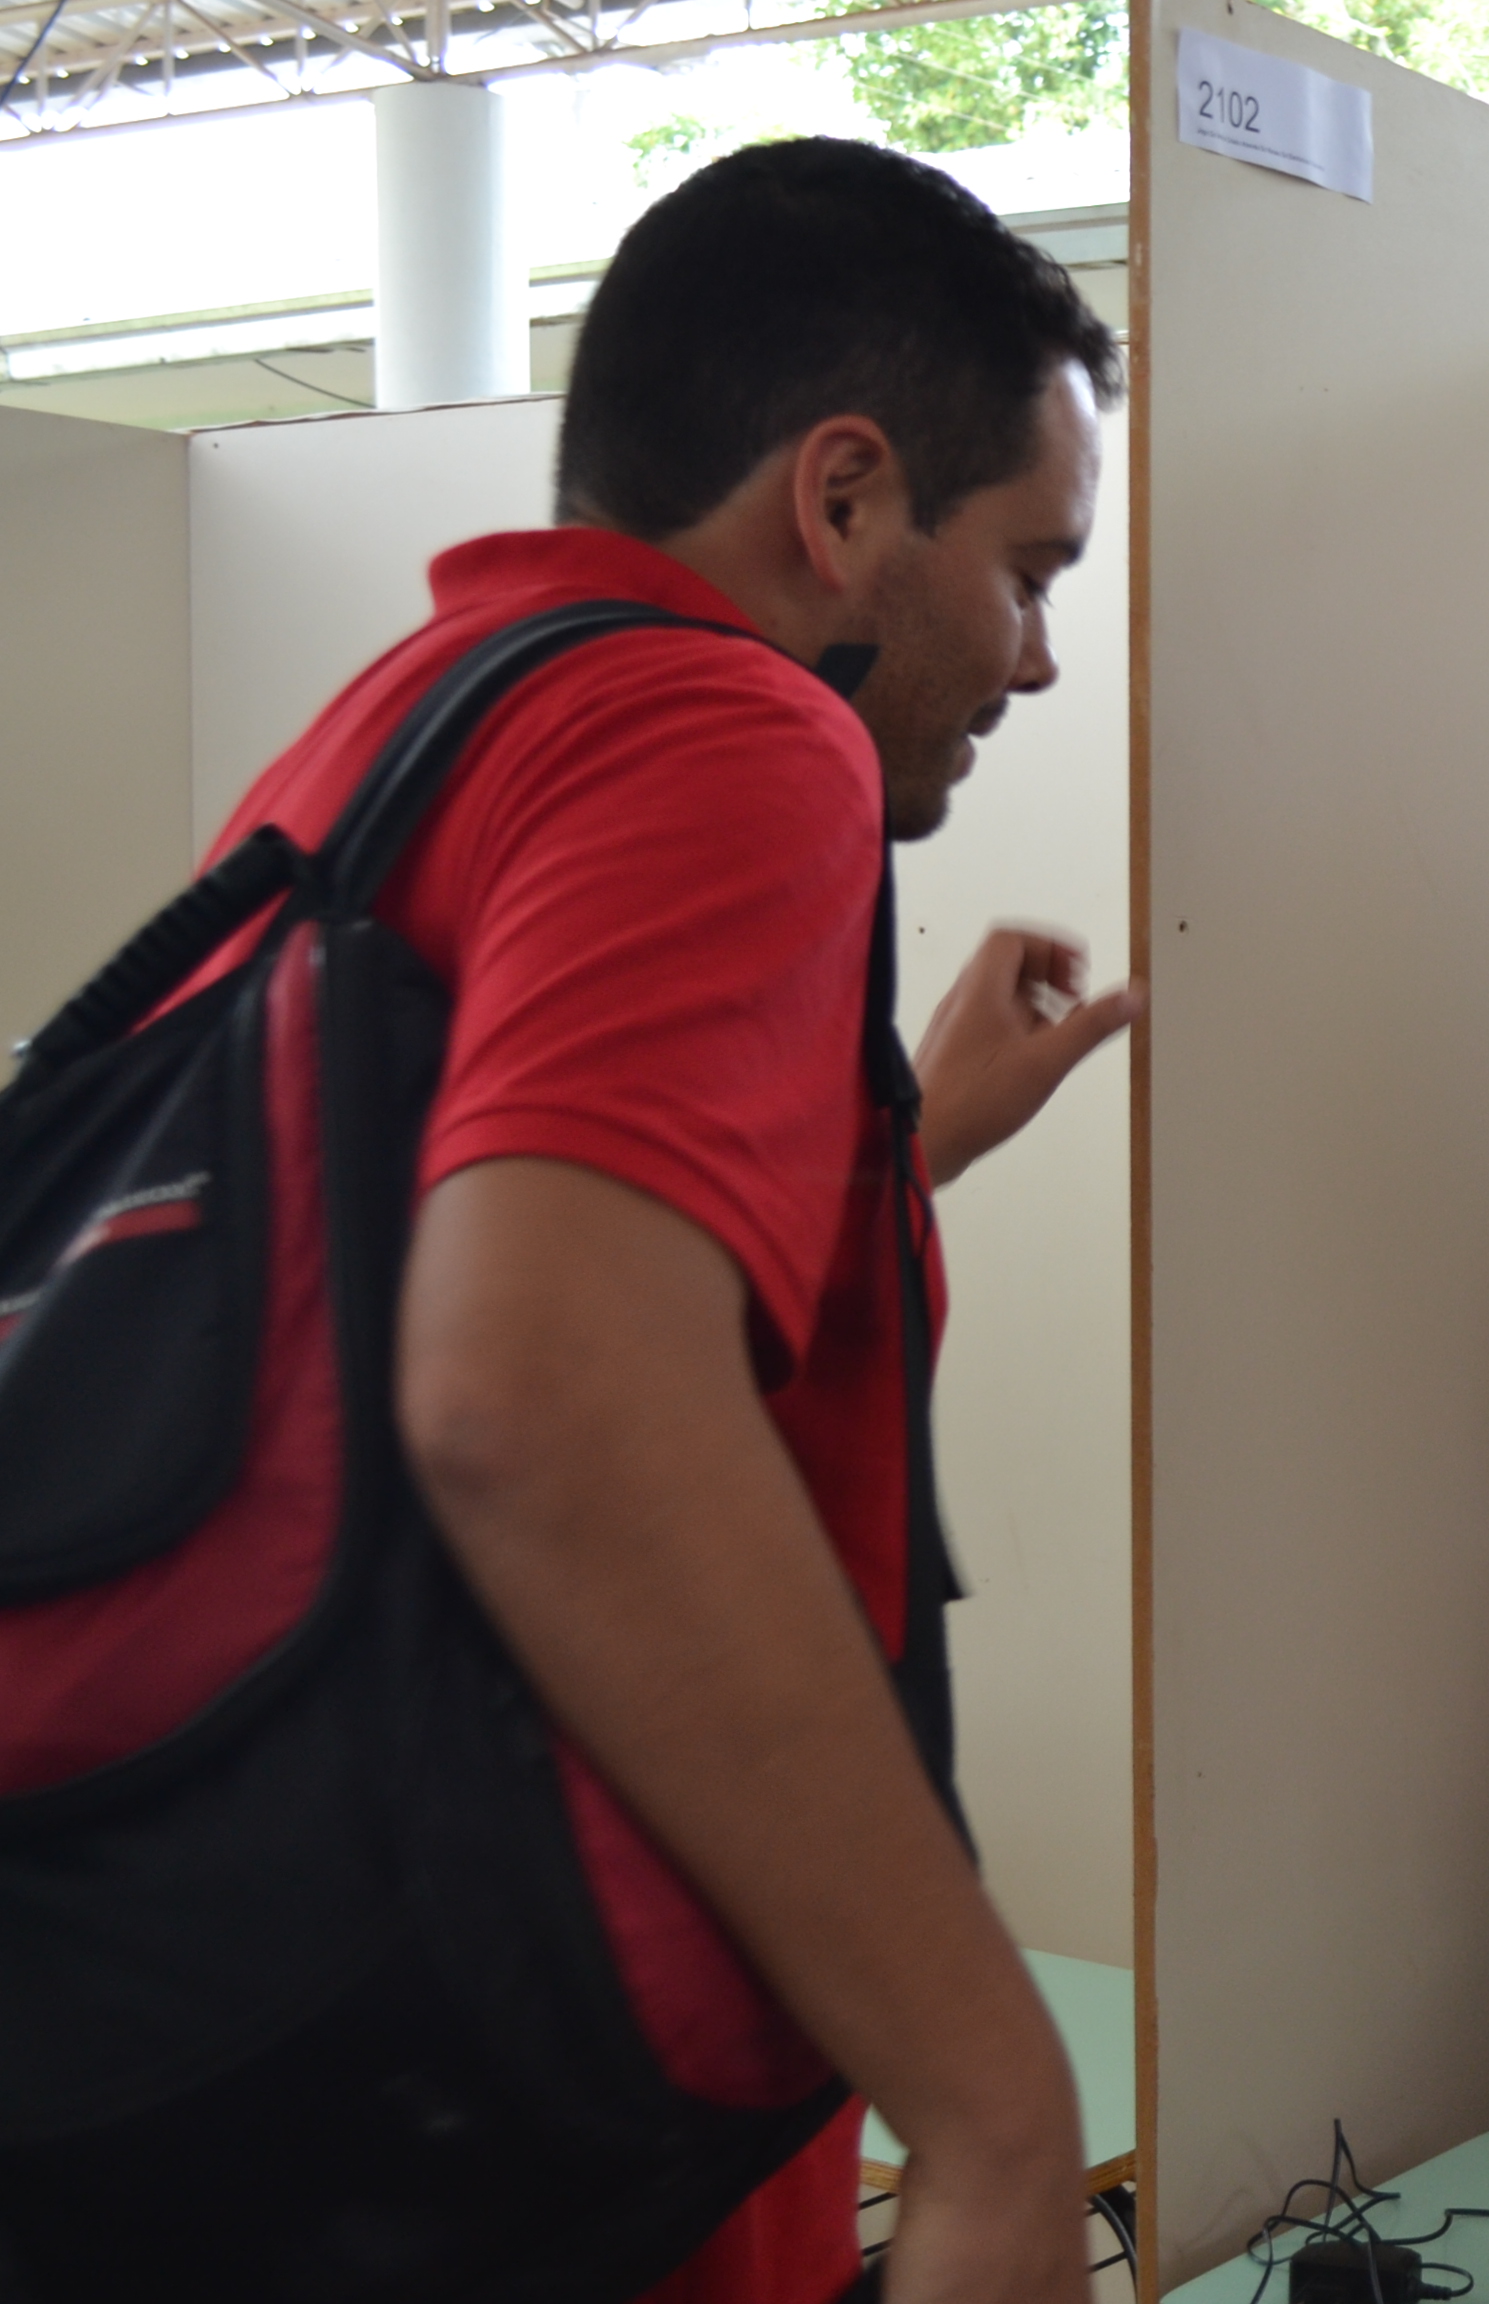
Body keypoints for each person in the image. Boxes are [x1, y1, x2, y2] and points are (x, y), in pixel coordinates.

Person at [190, 140, 1134, 2304]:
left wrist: (898, 1153)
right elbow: (535, 1391)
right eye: (1028, 569)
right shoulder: (732, 724)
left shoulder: (397, 734)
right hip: (569, 2133)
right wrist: (991, 2102)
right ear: (844, 500)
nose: (1037, 660)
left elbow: (400, 1294)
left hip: (334, 2081)